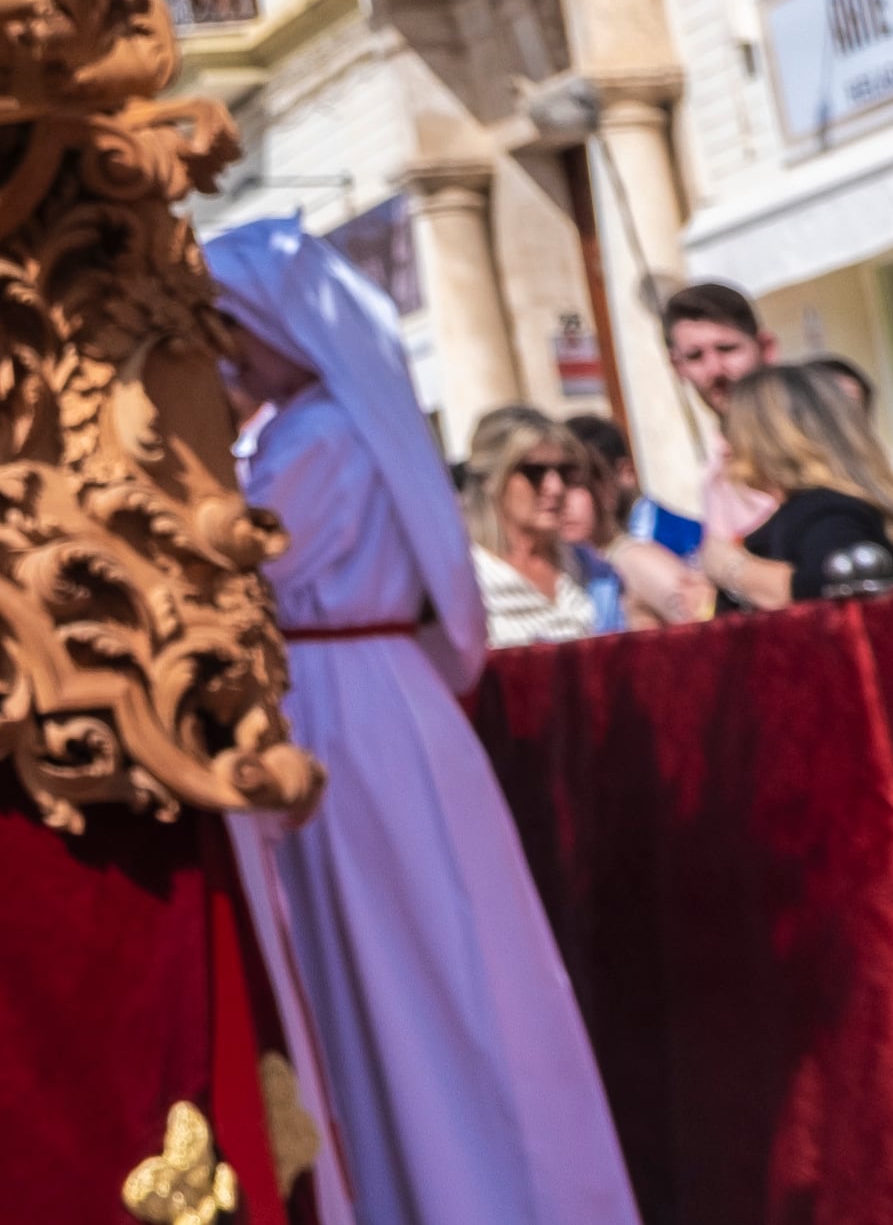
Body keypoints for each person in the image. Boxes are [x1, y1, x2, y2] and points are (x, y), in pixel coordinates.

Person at [205, 219, 639, 1225]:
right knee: (432, 959)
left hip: (340, 715)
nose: (226, 350)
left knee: (405, 968)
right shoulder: (318, 428)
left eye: (234, 326)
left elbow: (240, 562)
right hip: (370, 703)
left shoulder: (315, 436)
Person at [714, 362, 893, 603]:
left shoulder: (824, 510)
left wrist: (732, 568)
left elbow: (838, 593)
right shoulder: (824, 505)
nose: (726, 447)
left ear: (773, 437)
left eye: (733, 429)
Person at [459, 407, 621, 644]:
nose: (556, 488)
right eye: (534, 472)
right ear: (490, 478)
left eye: (565, 472)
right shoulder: (465, 580)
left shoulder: (588, 565)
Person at [553, 414, 712, 624]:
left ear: (605, 485)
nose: (560, 500)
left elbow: (708, 626)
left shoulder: (630, 559)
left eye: (575, 485)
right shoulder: (579, 563)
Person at [659, 280, 774, 559]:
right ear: (677, 366)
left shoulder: (805, 435)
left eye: (727, 348)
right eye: (696, 356)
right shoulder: (713, 468)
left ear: (766, 347)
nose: (715, 370)